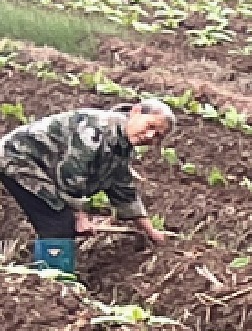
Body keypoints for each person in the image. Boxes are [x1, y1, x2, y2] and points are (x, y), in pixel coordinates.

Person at [1, 97, 173, 274]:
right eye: (151, 126)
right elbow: (71, 176)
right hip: (18, 160)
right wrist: (80, 217)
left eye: (158, 136)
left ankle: (53, 278)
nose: (151, 136)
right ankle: (52, 282)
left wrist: (151, 232)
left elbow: (124, 191)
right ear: (136, 112)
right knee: (59, 222)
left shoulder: (122, 146)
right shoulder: (95, 131)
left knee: (61, 219)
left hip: (43, 168)